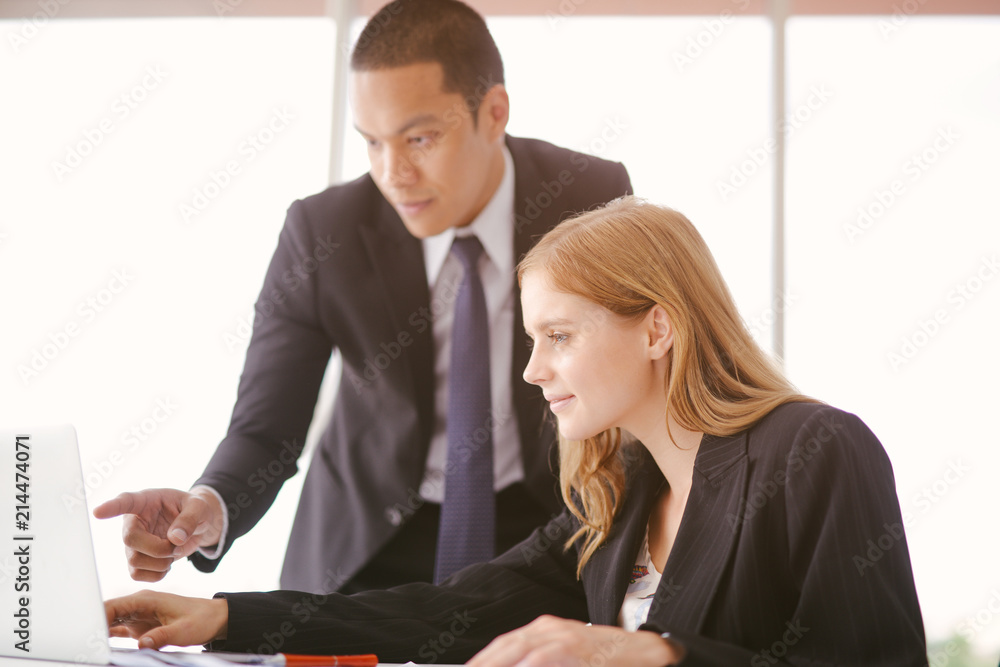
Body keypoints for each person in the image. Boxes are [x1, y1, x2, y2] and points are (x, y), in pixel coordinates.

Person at [105, 197, 927, 666]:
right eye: (532, 338)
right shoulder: (614, 500)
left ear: (657, 328)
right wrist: (219, 617)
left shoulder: (817, 451)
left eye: (560, 336)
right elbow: (441, 613)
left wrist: (658, 655)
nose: (533, 371)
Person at [93, 0, 632, 594]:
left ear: (494, 113)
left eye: (419, 138)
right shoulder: (324, 233)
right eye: (372, 143)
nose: (392, 172)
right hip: (366, 545)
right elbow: (266, 427)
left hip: (542, 530)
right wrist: (207, 506)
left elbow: (632, 379)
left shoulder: (589, 196)